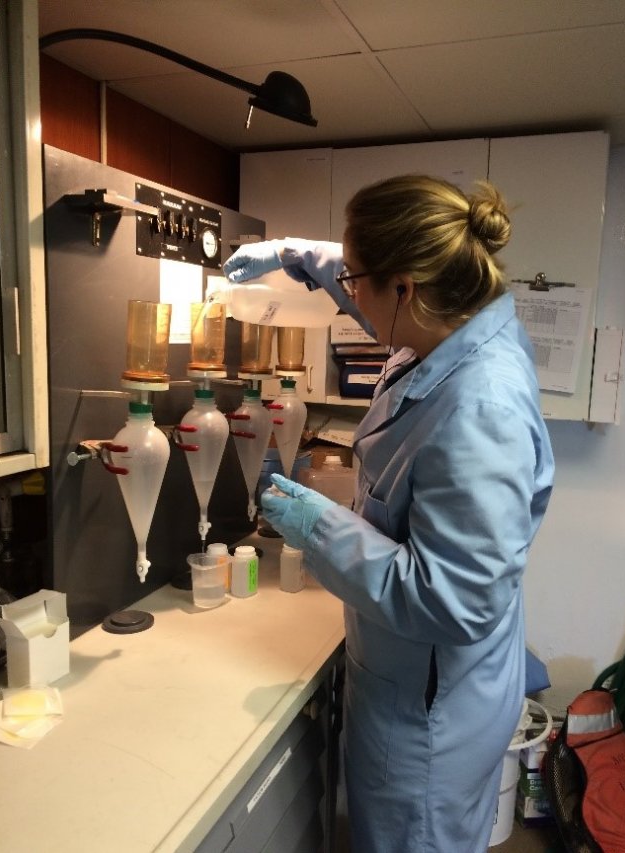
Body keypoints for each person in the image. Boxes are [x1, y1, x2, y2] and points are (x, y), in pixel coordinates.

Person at [222, 174, 554, 853]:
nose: (348, 291)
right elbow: (370, 282)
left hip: (429, 716)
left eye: (355, 277)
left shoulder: (480, 406)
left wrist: (316, 522)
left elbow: (456, 599)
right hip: (431, 679)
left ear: (404, 286)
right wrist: (292, 255)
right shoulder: (453, 317)